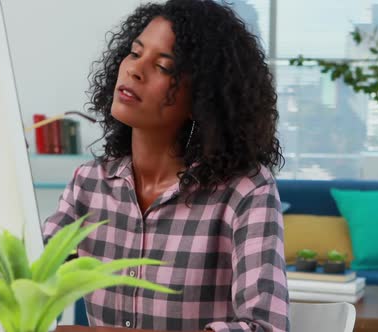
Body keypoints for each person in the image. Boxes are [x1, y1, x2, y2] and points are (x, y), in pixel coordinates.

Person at [43, 0, 288, 331]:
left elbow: (267, 327)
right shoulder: (89, 183)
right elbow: (23, 282)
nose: (134, 69)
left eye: (163, 67)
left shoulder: (246, 191)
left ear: (201, 99)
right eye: (134, 52)